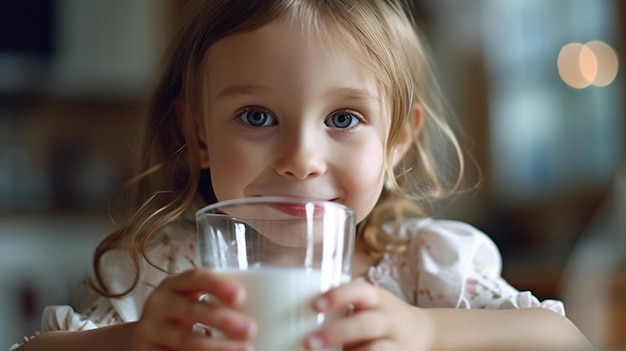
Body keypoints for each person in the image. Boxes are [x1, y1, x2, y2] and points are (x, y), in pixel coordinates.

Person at [12, 0, 592, 350]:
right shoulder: (170, 279)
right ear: (199, 133)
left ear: (396, 141)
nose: (302, 158)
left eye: (343, 118)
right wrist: (135, 341)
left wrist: (430, 335)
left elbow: (565, 341)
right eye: (257, 116)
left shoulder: (424, 271)